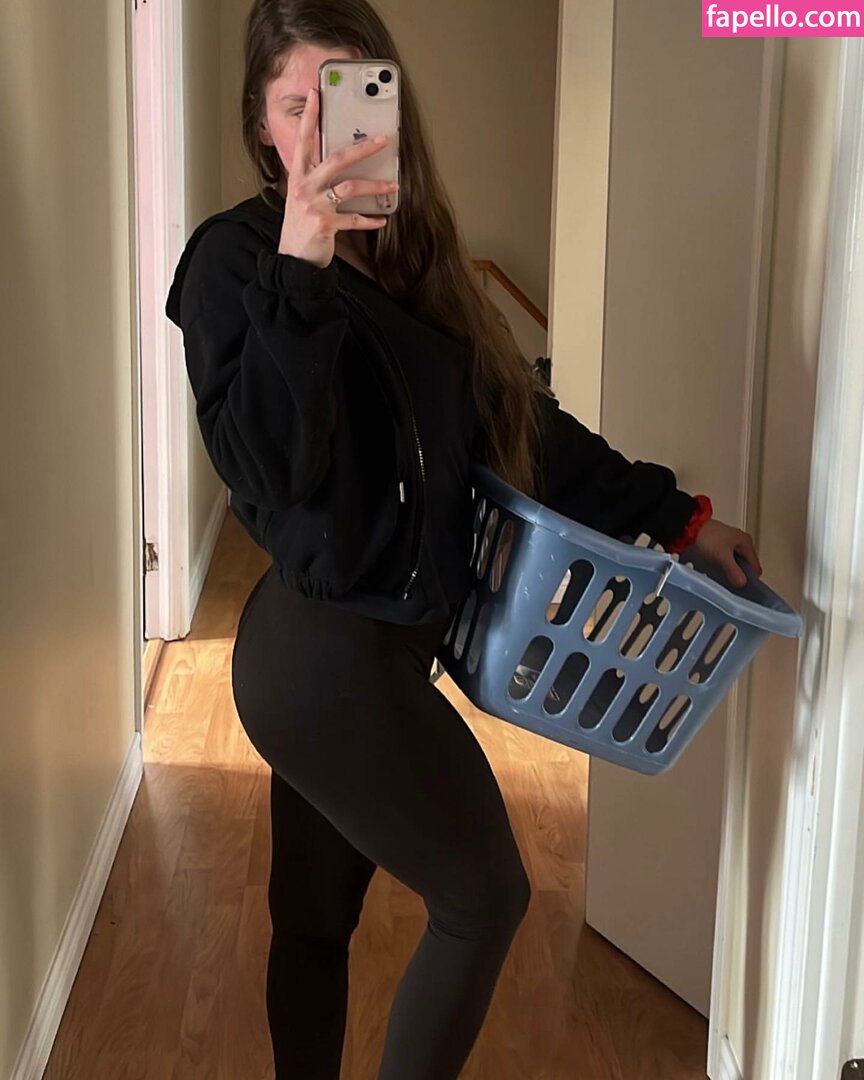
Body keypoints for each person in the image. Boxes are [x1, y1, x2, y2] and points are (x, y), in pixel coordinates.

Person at [164, 2, 762, 1076]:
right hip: (320, 655)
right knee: (485, 899)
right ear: (260, 123)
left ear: (386, 108)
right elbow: (267, 468)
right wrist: (300, 266)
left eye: (346, 99)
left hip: (382, 649)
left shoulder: (410, 264)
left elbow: (524, 426)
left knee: (316, 921)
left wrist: (680, 517)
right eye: (296, 106)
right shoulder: (234, 260)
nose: (321, 133)